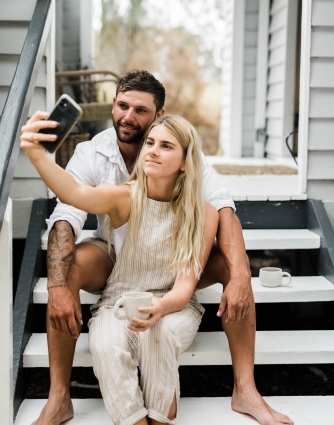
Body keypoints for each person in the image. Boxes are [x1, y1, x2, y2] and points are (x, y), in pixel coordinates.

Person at [21, 70, 293, 425]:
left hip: (176, 267)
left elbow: (223, 211)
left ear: (158, 118)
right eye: (121, 106)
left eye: (141, 111)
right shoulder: (109, 173)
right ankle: (59, 397)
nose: (128, 117)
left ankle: (245, 388)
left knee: (228, 270)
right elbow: (72, 201)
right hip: (118, 260)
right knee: (75, 286)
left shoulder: (188, 170)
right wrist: (39, 157)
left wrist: (241, 277)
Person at [22, 113, 219, 424]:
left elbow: (184, 287)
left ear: (184, 161)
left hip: (174, 307)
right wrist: (37, 156)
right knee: (106, 344)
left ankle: (162, 418)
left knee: (161, 333)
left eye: (166, 146)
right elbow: (76, 193)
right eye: (150, 143)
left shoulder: (204, 214)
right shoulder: (126, 196)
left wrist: (161, 306)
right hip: (118, 300)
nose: (152, 150)